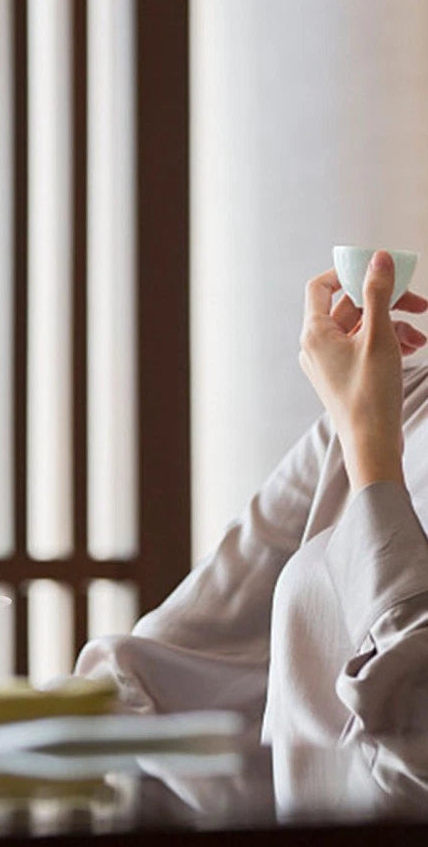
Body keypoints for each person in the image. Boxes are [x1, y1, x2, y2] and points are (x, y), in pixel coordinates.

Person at [75, 250, 428, 752]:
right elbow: (160, 662)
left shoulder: (371, 423)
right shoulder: (398, 403)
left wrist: (372, 455)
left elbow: (406, 755)